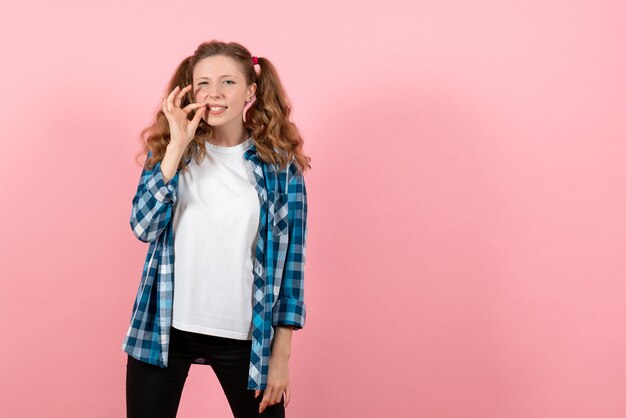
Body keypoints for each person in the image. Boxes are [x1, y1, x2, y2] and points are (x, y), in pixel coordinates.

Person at [121, 40, 310, 418]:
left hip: (246, 335)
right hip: (164, 328)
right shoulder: (172, 156)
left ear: (250, 92)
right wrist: (176, 146)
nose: (214, 94)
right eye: (203, 83)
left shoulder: (280, 167)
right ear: (189, 91)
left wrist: (281, 355)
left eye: (228, 82)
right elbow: (142, 226)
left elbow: (292, 267)